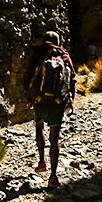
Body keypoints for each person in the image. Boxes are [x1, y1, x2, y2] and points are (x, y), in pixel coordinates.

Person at [23, 30, 75, 188]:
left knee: (39, 128)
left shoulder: (38, 53)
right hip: (57, 103)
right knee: (54, 138)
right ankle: (53, 176)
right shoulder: (64, 56)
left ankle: (41, 162)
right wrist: (70, 100)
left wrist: (30, 98)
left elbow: (27, 77)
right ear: (58, 41)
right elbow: (72, 78)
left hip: (39, 101)